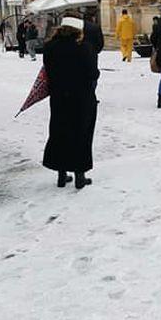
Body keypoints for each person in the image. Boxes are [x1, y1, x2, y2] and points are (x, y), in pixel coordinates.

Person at [42, 16, 97, 190]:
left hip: (58, 97)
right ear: (78, 30)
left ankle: (61, 174)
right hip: (82, 98)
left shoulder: (50, 47)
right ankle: (80, 175)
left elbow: (47, 71)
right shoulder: (85, 48)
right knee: (81, 133)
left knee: (60, 132)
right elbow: (92, 74)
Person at [82, 10, 104, 82]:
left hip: (80, 52)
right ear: (92, 18)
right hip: (92, 53)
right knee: (92, 70)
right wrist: (96, 51)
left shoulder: (79, 27)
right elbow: (100, 42)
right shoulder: (95, 27)